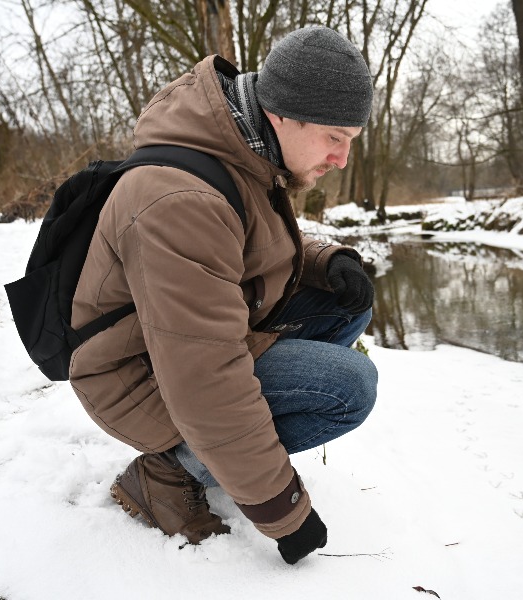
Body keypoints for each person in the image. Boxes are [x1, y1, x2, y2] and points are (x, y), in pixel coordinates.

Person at [68, 26, 378, 565]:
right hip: (136, 374)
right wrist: (283, 511)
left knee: (346, 300)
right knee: (349, 388)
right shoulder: (179, 198)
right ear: (283, 114)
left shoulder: (242, 149)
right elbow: (205, 376)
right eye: (335, 137)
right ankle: (165, 472)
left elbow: (247, 243)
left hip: (175, 345)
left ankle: (210, 455)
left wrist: (327, 261)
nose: (342, 158)